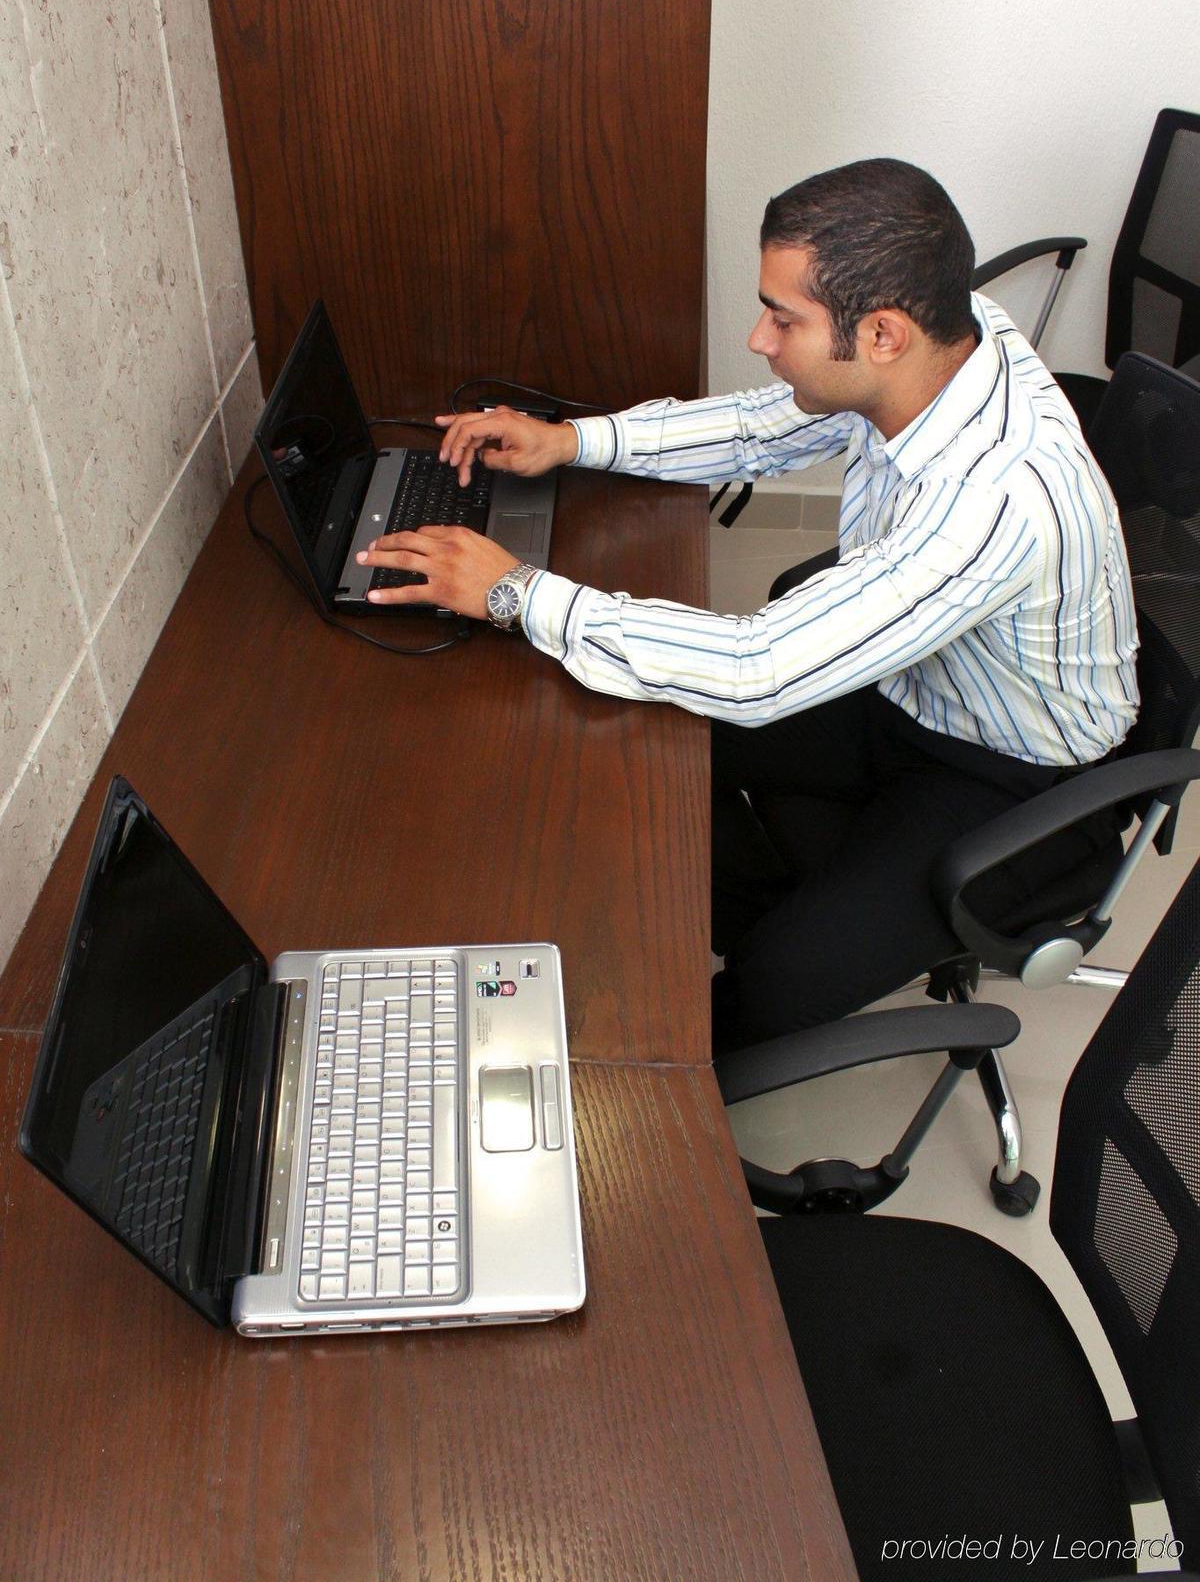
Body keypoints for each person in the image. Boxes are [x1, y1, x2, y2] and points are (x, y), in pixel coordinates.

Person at [357, 158, 1138, 1048]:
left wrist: (511, 591)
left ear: (881, 333)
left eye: (784, 317)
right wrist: (571, 440)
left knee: (777, 974)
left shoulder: (996, 501)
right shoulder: (948, 338)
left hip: (1014, 776)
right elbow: (759, 428)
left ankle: (669, 1074)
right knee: (635, 736)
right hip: (919, 681)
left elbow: (757, 669)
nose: (758, 338)